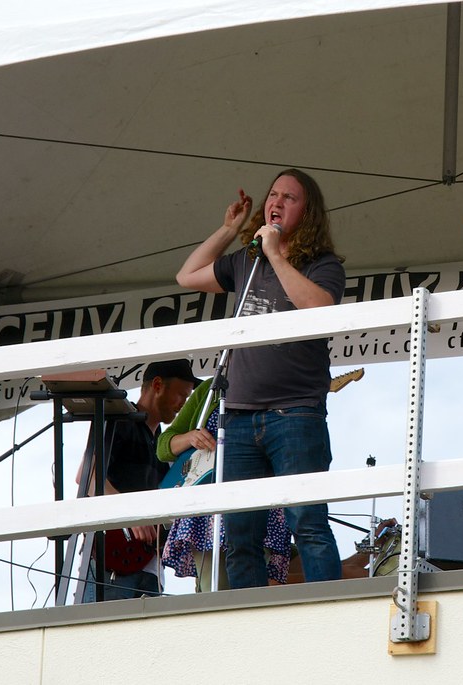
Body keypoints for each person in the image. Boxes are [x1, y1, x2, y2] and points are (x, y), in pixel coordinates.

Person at [175, 168, 346, 588]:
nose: (277, 202)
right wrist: (229, 229)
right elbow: (187, 276)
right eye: (273, 195)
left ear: (307, 212)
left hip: (296, 415)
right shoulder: (246, 262)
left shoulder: (322, 264)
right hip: (239, 415)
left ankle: (329, 609)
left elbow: (319, 309)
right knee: (239, 535)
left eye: (289, 197)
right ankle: (249, 617)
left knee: (307, 522)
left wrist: (276, 254)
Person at [157, 377, 293, 591]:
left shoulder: (276, 381)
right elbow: (163, 447)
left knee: (251, 586)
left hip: (256, 500)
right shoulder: (210, 388)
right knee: (213, 588)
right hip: (207, 506)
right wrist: (190, 437)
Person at [80, 359, 198, 601]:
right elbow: (87, 476)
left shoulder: (164, 443)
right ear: (157, 385)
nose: (183, 404)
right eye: (181, 395)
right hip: (111, 561)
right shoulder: (120, 419)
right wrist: (130, 514)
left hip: (151, 566)